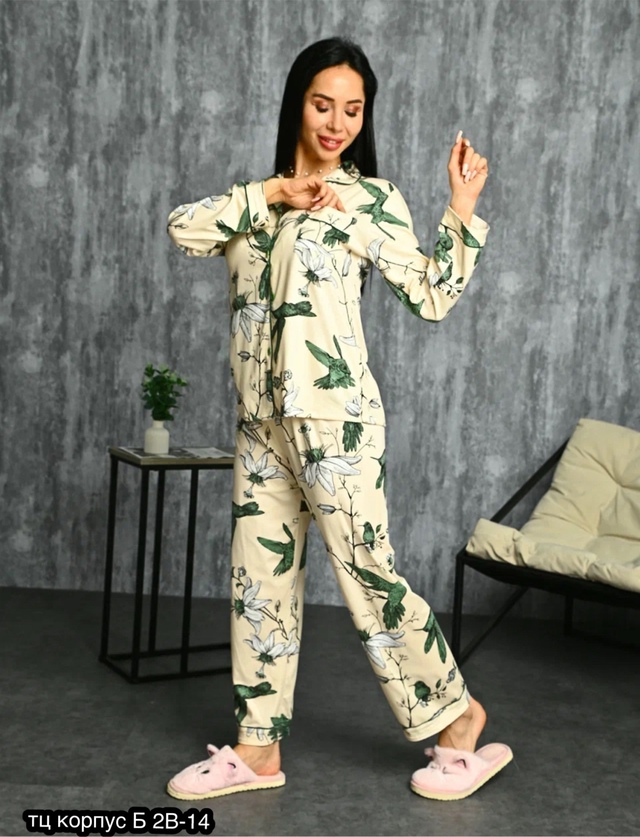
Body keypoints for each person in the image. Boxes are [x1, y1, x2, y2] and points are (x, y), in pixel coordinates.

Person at [164, 37, 512, 802]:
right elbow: (182, 227)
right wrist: (275, 194)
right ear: (297, 102)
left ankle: (459, 719)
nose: (337, 123)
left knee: (369, 578)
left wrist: (460, 209)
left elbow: (431, 295)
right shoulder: (255, 201)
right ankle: (257, 750)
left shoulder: (371, 201)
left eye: (353, 110)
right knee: (258, 584)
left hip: (337, 423)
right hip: (261, 425)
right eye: (323, 105)